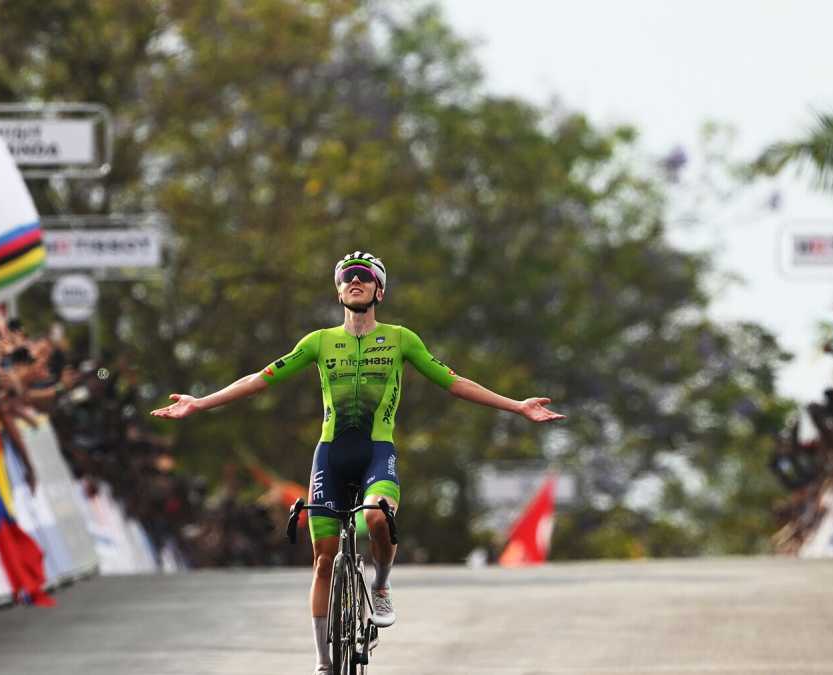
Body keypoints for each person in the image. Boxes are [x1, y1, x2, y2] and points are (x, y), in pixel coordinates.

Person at [151, 251, 566, 674]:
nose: (354, 281)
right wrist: (200, 403)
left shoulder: (402, 339)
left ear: (378, 290)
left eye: (364, 277)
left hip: (376, 452)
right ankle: (322, 661)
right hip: (330, 455)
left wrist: (516, 406)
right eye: (346, 276)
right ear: (337, 289)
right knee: (323, 559)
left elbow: (453, 382)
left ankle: (381, 585)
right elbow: (260, 379)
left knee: (379, 519)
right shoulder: (318, 342)